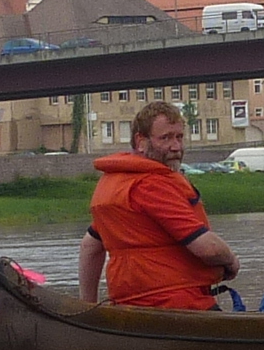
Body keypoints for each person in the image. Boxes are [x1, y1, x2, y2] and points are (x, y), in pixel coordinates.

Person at [84, 100, 240, 309]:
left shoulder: (115, 183)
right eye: (165, 138)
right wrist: (231, 262)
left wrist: (87, 306)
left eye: (179, 137)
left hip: (128, 304)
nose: (176, 147)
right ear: (141, 141)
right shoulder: (152, 185)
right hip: (177, 302)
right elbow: (208, 249)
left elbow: (89, 246)